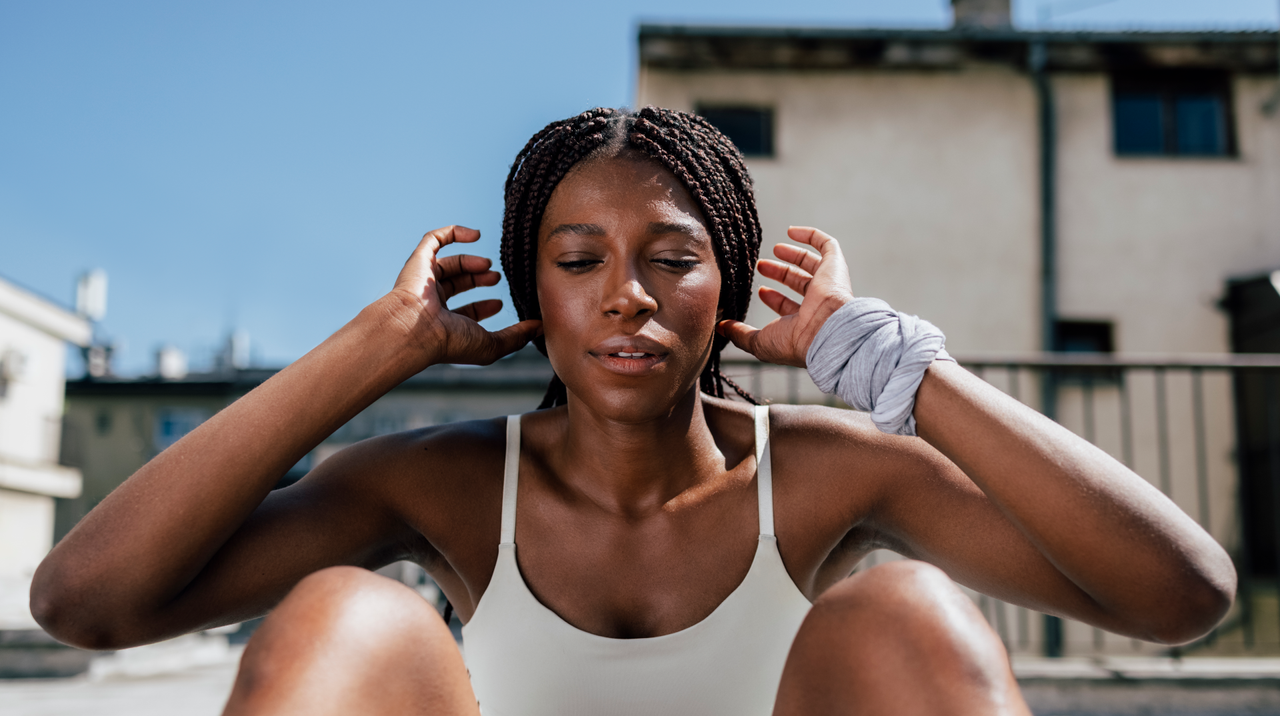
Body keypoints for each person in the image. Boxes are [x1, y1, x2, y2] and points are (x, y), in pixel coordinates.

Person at [32, 106, 1234, 716]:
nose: (624, 297)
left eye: (670, 258)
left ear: (730, 290)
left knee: (908, 608)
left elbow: (1177, 593)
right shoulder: (440, 482)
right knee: (345, 613)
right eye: (576, 259)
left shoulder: (821, 473)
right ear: (530, 287)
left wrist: (893, 368)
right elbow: (84, 605)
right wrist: (371, 351)